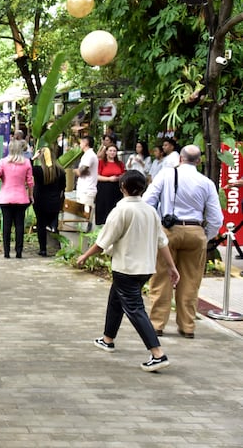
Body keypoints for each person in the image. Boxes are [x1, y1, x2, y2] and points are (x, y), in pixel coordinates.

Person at [77, 170, 180, 372]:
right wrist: (171, 266)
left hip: (126, 268)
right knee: (116, 300)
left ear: (122, 187)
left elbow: (103, 241)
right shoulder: (150, 211)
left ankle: (157, 353)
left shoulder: (121, 211)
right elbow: (162, 242)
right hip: (146, 268)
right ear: (143, 188)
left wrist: (84, 256)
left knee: (134, 308)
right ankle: (108, 339)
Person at [143, 145, 223, 338]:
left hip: (169, 231)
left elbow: (148, 201)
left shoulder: (165, 175)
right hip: (195, 231)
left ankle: (157, 324)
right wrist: (205, 234)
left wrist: (155, 227)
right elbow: (216, 219)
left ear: (180, 159)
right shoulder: (206, 182)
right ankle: (187, 326)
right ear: (199, 161)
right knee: (190, 280)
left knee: (161, 278)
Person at [0, 140, 34, 258]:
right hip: (21, 198)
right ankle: (19, 252)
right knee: (20, 226)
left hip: (6, 198)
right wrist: (31, 195)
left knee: (7, 226)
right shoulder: (26, 162)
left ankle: (6, 252)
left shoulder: (3, 162)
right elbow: (30, 182)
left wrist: (3, 177)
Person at [32, 146, 66, 257]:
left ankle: (43, 249)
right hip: (54, 202)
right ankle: (56, 245)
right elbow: (62, 188)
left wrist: (33, 158)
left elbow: (26, 167)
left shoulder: (37, 170)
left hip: (40, 202)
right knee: (51, 223)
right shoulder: (60, 171)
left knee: (41, 225)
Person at [95, 144, 125, 225]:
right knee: (103, 208)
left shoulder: (120, 163)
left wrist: (118, 178)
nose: (112, 153)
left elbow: (123, 174)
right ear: (106, 152)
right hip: (104, 188)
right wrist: (109, 179)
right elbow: (96, 176)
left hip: (116, 189)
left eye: (114, 151)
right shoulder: (101, 163)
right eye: (110, 151)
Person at [73, 136, 98, 231]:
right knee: (81, 211)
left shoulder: (90, 155)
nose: (80, 144)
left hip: (87, 188)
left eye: (81, 142)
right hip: (83, 187)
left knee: (85, 211)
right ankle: (83, 228)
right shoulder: (87, 155)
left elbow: (80, 172)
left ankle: (86, 229)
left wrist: (74, 170)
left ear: (86, 143)